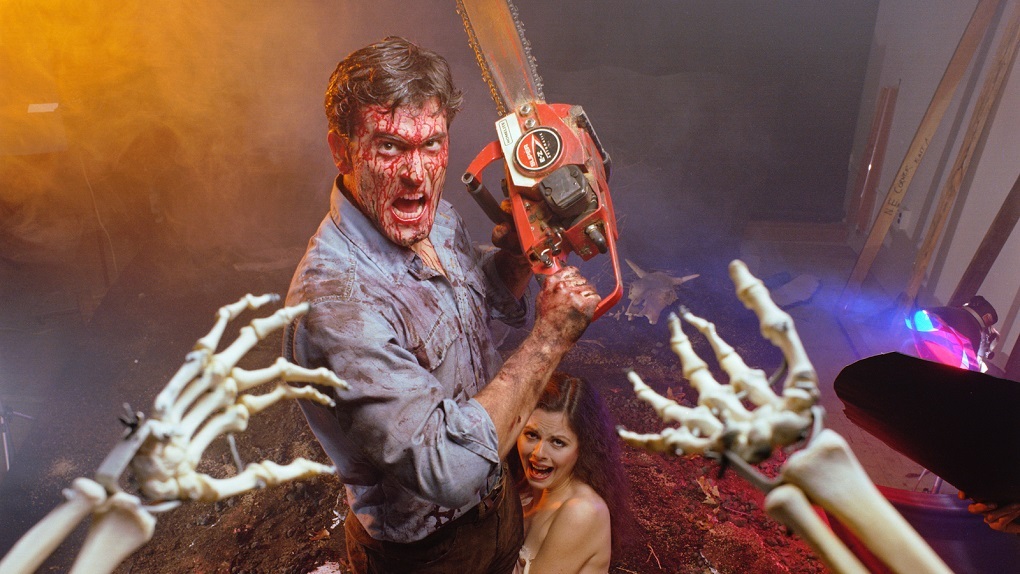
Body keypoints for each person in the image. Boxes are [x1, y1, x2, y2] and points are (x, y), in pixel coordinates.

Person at [283, 36, 601, 573]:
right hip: (426, 553)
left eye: (432, 144)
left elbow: (476, 305)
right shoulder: (336, 305)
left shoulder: (432, 217)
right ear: (341, 149)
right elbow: (449, 469)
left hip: (499, 504)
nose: (417, 174)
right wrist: (549, 340)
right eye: (390, 147)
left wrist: (519, 257)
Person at [511, 372, 632, 574]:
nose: (538, 453)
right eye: (532, 435)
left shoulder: (583, 511)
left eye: (558, 442)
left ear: (581, 449)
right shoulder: (523, 492)